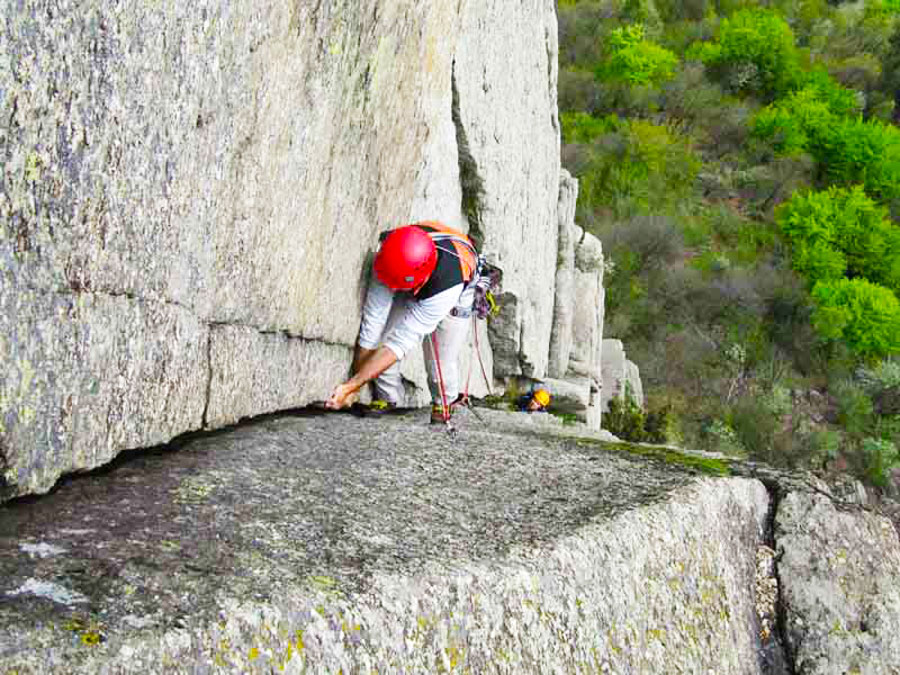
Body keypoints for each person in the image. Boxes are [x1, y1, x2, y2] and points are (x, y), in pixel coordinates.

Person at [325, 221, 478, 423]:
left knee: (439, 359)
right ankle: (388, 398)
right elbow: (372, 325)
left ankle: (444, 403)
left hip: (458, 288)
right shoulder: (389, 257)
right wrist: (353, 386)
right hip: (411, 272)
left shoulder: (447, 286)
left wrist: (353, 385)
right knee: (384, 338)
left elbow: (402, 342)